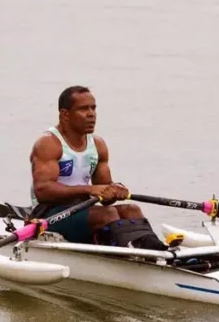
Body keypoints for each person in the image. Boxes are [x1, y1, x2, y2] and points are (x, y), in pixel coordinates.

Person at [29, 85, 169, 250]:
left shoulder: (98, 145)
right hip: (48, 214)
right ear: (65, 115)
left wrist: (115, 190)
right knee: (108, 214)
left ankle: (157, 251)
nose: (91, 114)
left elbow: (105, 195)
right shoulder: (48, 144)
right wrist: (91, 189)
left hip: (82, 210)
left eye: (93, 108)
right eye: (83, 109)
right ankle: (127, 253)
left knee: (132, 209)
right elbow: (43, 191)